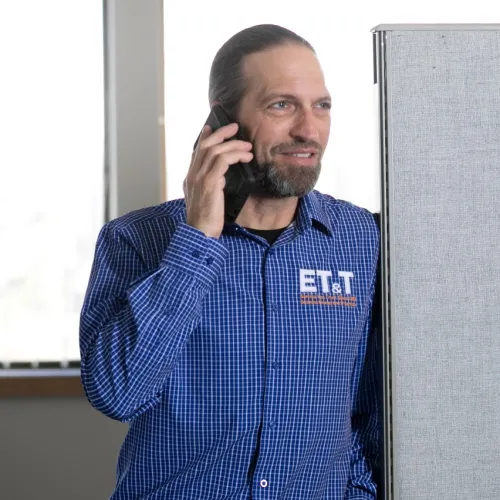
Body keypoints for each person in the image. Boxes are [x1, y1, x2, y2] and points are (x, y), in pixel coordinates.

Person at [80, 24, 380, 500]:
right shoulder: (136, 239)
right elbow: (119, 394)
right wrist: (196, 239)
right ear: (222, 120)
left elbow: (375, 410)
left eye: (321, 106)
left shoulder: (362, 240)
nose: (308, 129)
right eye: (281, 105)